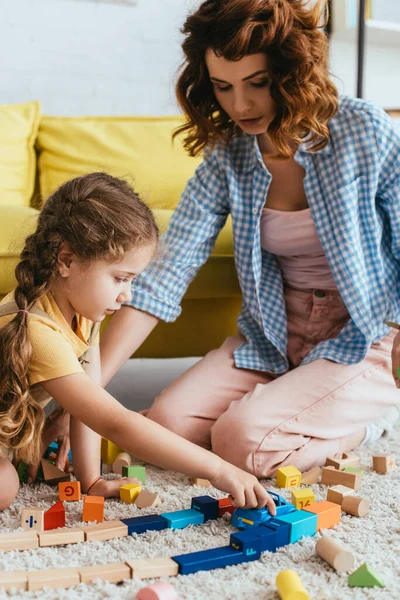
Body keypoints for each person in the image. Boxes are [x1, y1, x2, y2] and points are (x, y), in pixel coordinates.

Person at [100, 0, 400, 479]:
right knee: (165, 426)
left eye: (257, 84)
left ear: (290, 74)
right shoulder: (228, 158)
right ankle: (296, 398)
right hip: (276, 335)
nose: (239, 105)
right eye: (223, 87)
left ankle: (372, 423)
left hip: (364, 337)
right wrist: (88, 390)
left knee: (243, 443)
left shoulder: (364, 130)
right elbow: (163, 276)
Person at [0, 172, 275, 514]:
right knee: (5, 487)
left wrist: (91, 481)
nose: (126, 295)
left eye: (132, 280)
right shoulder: (38, 330)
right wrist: (220, 469)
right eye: (119, 278)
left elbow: (94, 403)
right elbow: (116, 423)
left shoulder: (83, 309)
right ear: (66, 260)